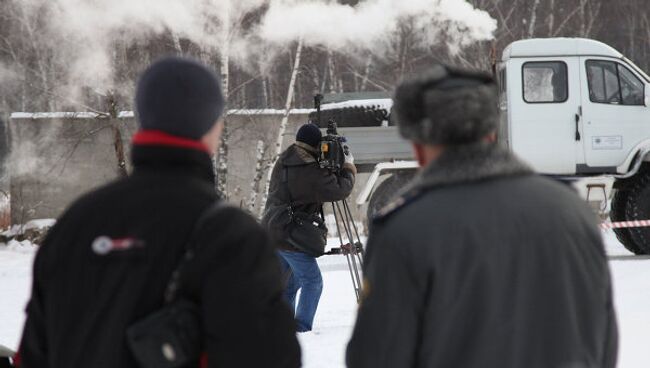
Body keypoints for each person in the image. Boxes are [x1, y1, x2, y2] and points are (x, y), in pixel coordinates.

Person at [18, 57, 300, 368]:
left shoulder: (74, 224)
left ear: (143, 118)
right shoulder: (231, 236)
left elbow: (31, 355)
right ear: (213, 124)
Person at [346, 65, 618, 368]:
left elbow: (376, 357)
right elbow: (603, 342)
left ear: (418, 144)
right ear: (491, 131)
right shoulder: (572, 210)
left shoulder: (404, 230)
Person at [262, 123, 356, 332]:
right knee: (313, 282)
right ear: (315, 145)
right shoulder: (309, 171)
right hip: (290, 235)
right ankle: (301, 329)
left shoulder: (286, 159)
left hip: (274, 229)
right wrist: (348, 167)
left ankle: (283, 327)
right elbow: (339, 190)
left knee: (290, 284)